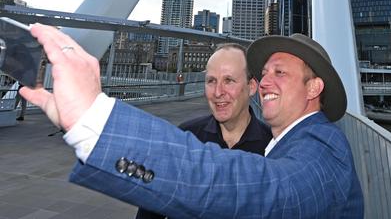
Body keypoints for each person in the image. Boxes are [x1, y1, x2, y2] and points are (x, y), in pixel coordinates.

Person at [21, 24, 363, 218]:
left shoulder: (321, 146)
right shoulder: (289, 144)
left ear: (314, 87)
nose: (267, 81)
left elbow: (267, 192)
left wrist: (94, 119)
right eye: (265, 71)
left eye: (281, 72)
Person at [135, 43, 272, 219]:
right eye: (211, 81)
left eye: (229, 80)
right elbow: (150, 211)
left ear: (251, 87)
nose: (218, 92)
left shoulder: (274, 148)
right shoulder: (184, 138)